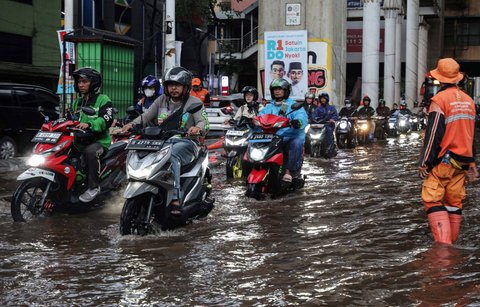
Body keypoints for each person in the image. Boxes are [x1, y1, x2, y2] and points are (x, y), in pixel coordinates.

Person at [122, 66, 207, 216]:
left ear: (185, 87)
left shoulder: (194, 102)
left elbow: (203, 122)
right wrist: (130, 125)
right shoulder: (161, 100)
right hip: (162, 142)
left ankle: (175, 197)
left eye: (177, 85)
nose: (173, 88)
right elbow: (145, 117)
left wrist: (197, 128)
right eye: (170, 85)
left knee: (171, 154)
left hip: (187, 142)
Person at [418, 58, 478, 245]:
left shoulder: (439, 101)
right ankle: (452, 248)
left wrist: (424, 162)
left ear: (440, 79)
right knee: (454, 203)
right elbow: (470, 134)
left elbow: (433, 134)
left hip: (444, 161)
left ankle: (443, 248)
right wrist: (473, 163)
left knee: (432, 199)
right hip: (462, 162)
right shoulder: (469, 101)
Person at [71, 68, 114, 203]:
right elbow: (71, 119)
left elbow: (106, 119)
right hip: (79, 140)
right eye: (79, 82)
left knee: (90, 152)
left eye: (84, 81)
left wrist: (90, 124)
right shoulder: (77, 102)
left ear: (94, 83)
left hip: (100, 142)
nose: (81, 85)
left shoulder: (103, 99)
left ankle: (93, 187)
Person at [259, 78, 308, 182]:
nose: (277, 91)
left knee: (296, 143)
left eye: (280, 89)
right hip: (272, 138)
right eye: (275, 89)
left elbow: (302, 116)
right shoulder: (268, 107)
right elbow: (260, 117)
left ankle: (289, 172)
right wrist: (251, 121)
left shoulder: (293, 105)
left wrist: (298, 122)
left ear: (286, 91)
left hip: (289, 138)